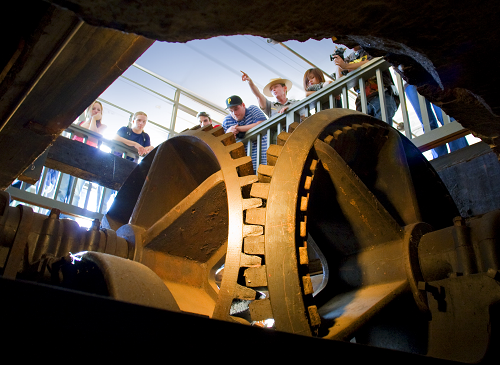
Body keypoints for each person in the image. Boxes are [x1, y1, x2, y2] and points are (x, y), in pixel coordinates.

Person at [332, 45, 399, 126]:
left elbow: (369, 62)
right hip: (362, 100)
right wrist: (338, 62)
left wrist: (346, 66)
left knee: (383, 127)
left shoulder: (370, 49)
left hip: (381, 93)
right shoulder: (350, 57)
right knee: (364, 131)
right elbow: (340, 78)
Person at [57, 100, 107, 206]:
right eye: (93, 108)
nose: (96, 111)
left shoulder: (102, 127)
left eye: (99, 110)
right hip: (70, 156)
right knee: (62, 188)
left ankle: (67, 217)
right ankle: (55, 212)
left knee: (75, 192)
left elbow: (93, 136)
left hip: (84, 161)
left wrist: (93, 120)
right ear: (88, 110)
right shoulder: (80, 123)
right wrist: (90, 119)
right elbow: (78, 132)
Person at [404, 83, 469, 159]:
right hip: (409, 83)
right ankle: (440, 158)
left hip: (427, 77)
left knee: (445, 116)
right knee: (428, 124)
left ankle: (460, 152)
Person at [222, 95, 267, 169]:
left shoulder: (252, 109)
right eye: (231, 111)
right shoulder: (227, 121)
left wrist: (238, 129)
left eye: (236, 109)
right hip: (242, 163)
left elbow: (261, 123)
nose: (234, 113)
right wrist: (228, 133)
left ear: (243, 105)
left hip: (261, 156)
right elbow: (223, 143)